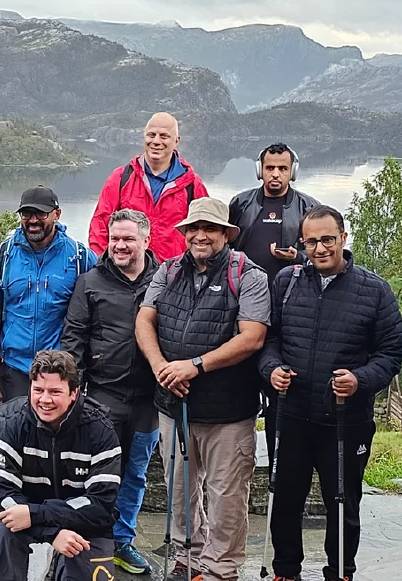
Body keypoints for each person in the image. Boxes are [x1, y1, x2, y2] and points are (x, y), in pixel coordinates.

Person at [257, 206, 402, 581]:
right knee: (285, 499)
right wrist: (271, 370)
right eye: (312, 241)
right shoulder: (286, 282)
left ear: (343, 237)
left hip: (344, 420)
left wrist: (359, 380)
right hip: (289, 413)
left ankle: (340, 572)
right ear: (302, 243)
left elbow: (391, 353)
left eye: (327, 239)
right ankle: (285, 571)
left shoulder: (375, 290)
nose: (320, 248)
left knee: (342, 504)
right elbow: (267, 340)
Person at [134, 197, 271, 581]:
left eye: (209, 228)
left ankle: (220, 568)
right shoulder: (168, 271)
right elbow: (145, 320)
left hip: (228, 411)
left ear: (226, 234)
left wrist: (194, 366)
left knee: (226, 495)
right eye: (193, 228)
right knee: (178, 489)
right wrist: (161, 366)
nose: (199, 235)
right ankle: (186, 555)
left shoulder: (249, 276)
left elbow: (253, 337)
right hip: (172, 404)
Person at [61, 209, 160, 574]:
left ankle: (122, 541)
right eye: (114, 238)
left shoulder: (165, 279)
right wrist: (73, 395)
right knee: (94, 473)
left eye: (128, 239)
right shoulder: (90, 282)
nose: (119, 245)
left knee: (135, 474)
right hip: (102, 396)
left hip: (149, 400)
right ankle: (85, 538)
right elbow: (74, 339)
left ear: (146, 241)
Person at [0, 350, 123, 581]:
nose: (45, 400)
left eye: (55, 392)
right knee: (5, 533)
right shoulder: (13, 424)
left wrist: (37, 514)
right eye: (38, 390)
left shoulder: (101, 431)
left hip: (86, 524)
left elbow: (101, 505)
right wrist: (52, 532)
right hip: (29, 519)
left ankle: (61, 567)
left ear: (74, 393)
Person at [0, 185, 97, 408]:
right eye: (26, 213)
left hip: (61, 371)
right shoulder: (1, 257)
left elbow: (98, 314)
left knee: (60, 441)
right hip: (15, 371)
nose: (33, 220)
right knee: (13, 440)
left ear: (57, 214)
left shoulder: (80, 258)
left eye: (41, 213)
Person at [89, 112, 209, 262]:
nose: (156, 141)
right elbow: (100, 223)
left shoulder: (192, 184)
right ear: (144, 137)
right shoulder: (121, 178)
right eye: (151, 135)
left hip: (175, 275)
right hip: (128, 273)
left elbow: (206, 232)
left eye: (164, 136)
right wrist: (103, 265)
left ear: (176, 141)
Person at [226, 143, 321, 284]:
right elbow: (225, 244)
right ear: (260, 170)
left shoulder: (309, 207)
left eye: (283, 169)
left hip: (293, 288)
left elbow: (322, 250)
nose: (275, 174)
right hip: (245, 287)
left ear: (292, 172)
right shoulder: (240, 203)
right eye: (270, 168)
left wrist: (297, 257)